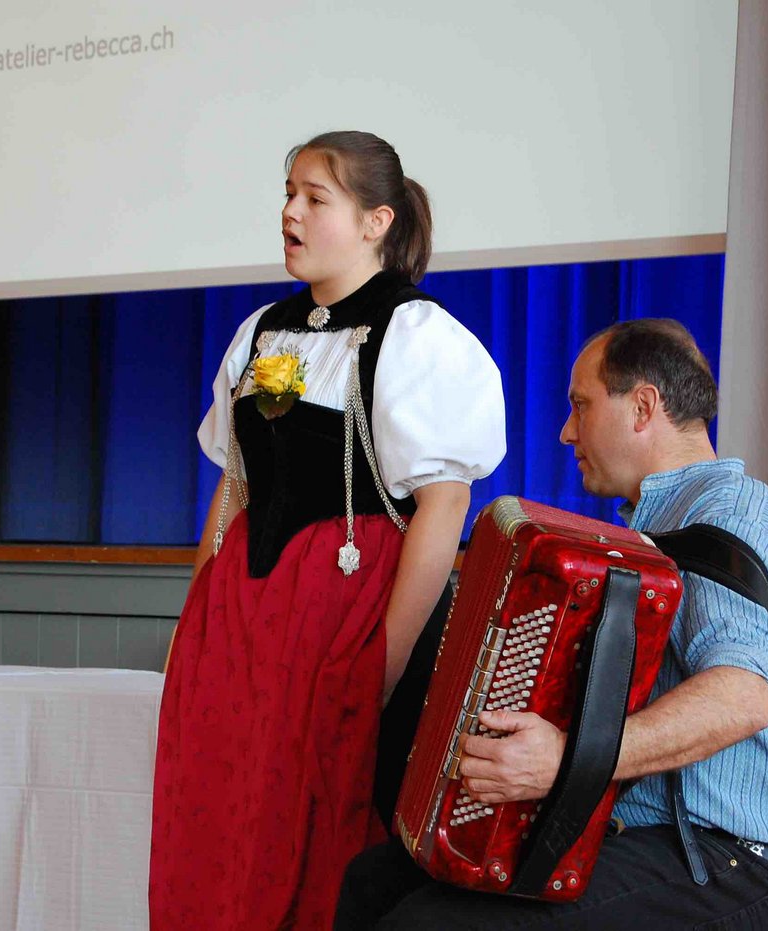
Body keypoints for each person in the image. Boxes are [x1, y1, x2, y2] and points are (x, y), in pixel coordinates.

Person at [335, 319, 768, 930]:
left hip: (733, 866)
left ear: (643, 406)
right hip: (648, 843)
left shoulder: (726, 516)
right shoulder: (645, 534)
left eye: (580, 405)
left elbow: (743, 696)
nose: (566, 431)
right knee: (374, 883)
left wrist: (569, 760)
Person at [148, 131, 505, 930]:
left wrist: (386, 659)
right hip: (243, 616)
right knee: (220, 817)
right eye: (287, 193)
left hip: (343, 614)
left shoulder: (415, 337)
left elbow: (443, 509)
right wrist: (196, 617)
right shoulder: (262, 331)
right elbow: (234, 487)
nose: (290, 212)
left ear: (377, 220)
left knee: (318, 831)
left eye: (315, 197)